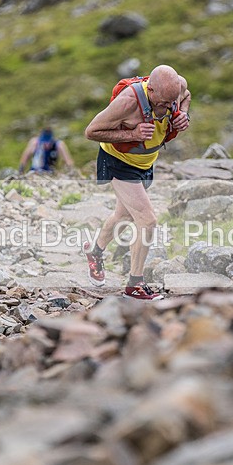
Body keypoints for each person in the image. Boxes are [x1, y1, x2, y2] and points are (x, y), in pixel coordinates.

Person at [83, 64, 191, 300]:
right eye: (163, 103)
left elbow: (186, 95)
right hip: (119, 162)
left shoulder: (176, 88)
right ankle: (135, 285)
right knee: (147, 220)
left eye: (171, 103)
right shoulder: (128, 102)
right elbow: (91, 131)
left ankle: (94, 251)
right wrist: (132, 135)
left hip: (145, 162)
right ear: (150, 90)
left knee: (123, 216)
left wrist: (183, 113)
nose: (167, 108)